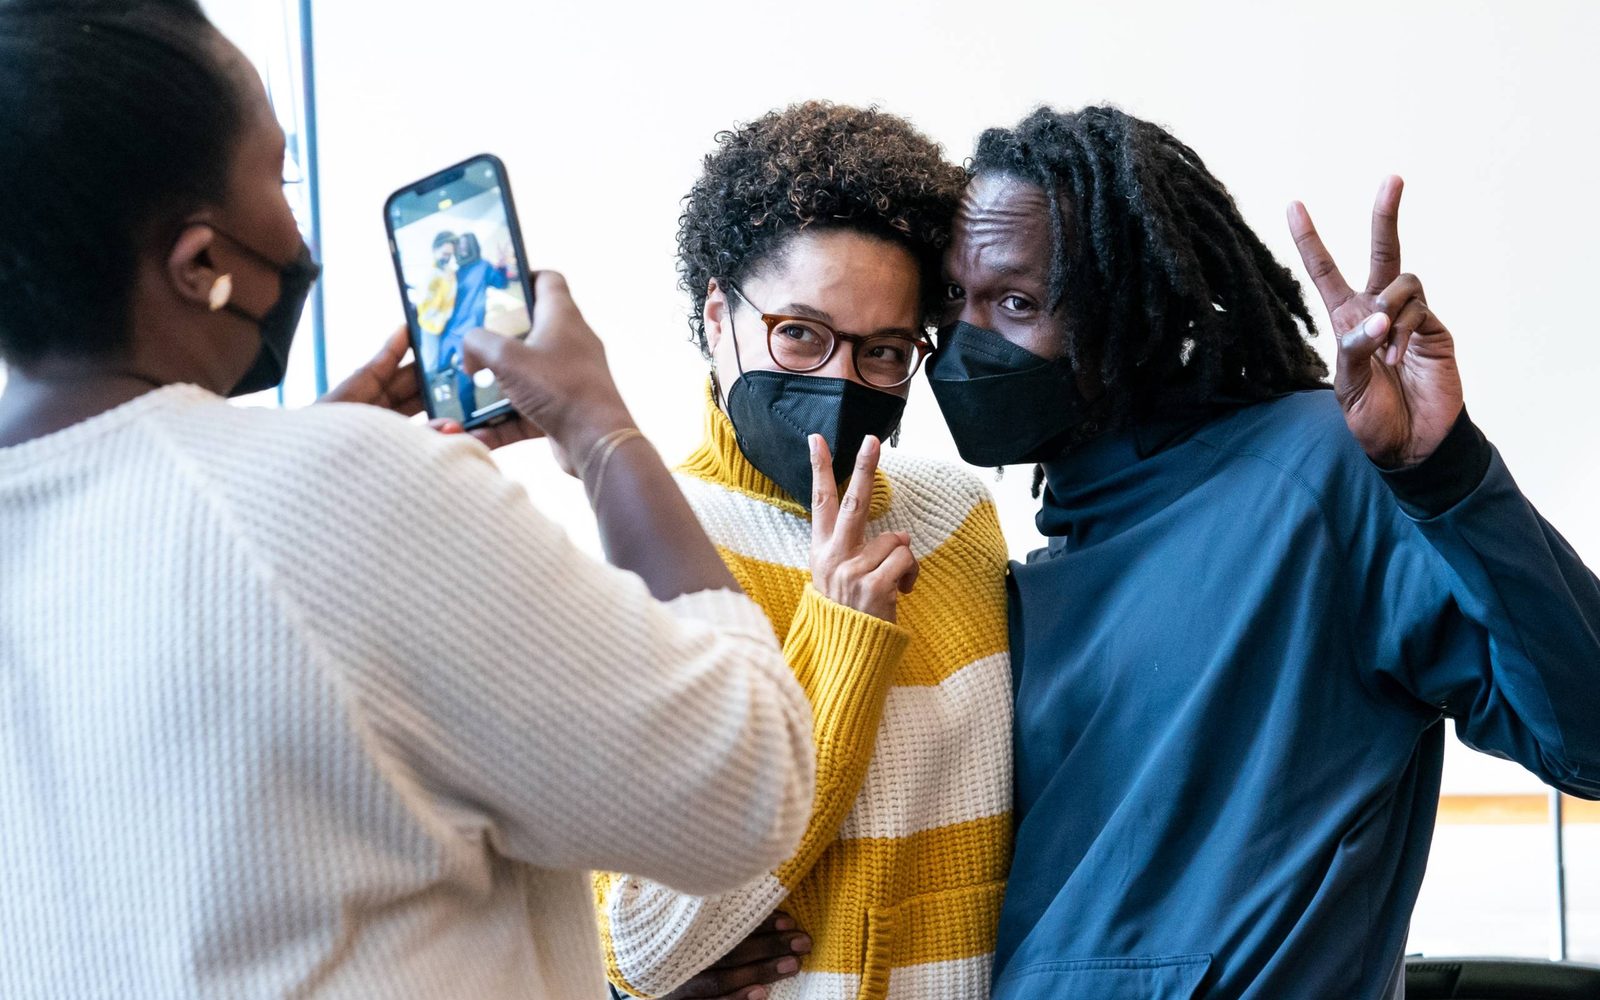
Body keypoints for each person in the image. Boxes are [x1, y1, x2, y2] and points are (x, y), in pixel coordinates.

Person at [0, 2, 817, 997]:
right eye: (277, 176)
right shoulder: (338, 493)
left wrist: (295, 454)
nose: (295, 227)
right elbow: (746, 786)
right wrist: (602, 433)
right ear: (202, 265)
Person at [923, 106, 1600, 998]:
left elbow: (1586, 737)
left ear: (1131, 303)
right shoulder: (1018, 573)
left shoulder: (1320, 474)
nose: (968, 346)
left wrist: (1446, 476)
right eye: (951, 307)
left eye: (1015, 303)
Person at [592, 103, 1013, 1000]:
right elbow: (646, 944)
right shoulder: (650, 550)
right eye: (799, 334)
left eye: (884, 352)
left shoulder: (958, 518)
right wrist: (840, 641)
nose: (837, 380)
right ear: (718, 318)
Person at [437, 232, 517, 418]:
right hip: (447, 333)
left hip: (470, 334)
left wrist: (503, 265)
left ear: (473, 246)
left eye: (466, 244)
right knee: (438, 373)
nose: (462, 248)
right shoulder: (454, 274)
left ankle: (472, 420)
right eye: (460, 245)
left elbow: (501, 283)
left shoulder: (483, 266)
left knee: (465, 383)